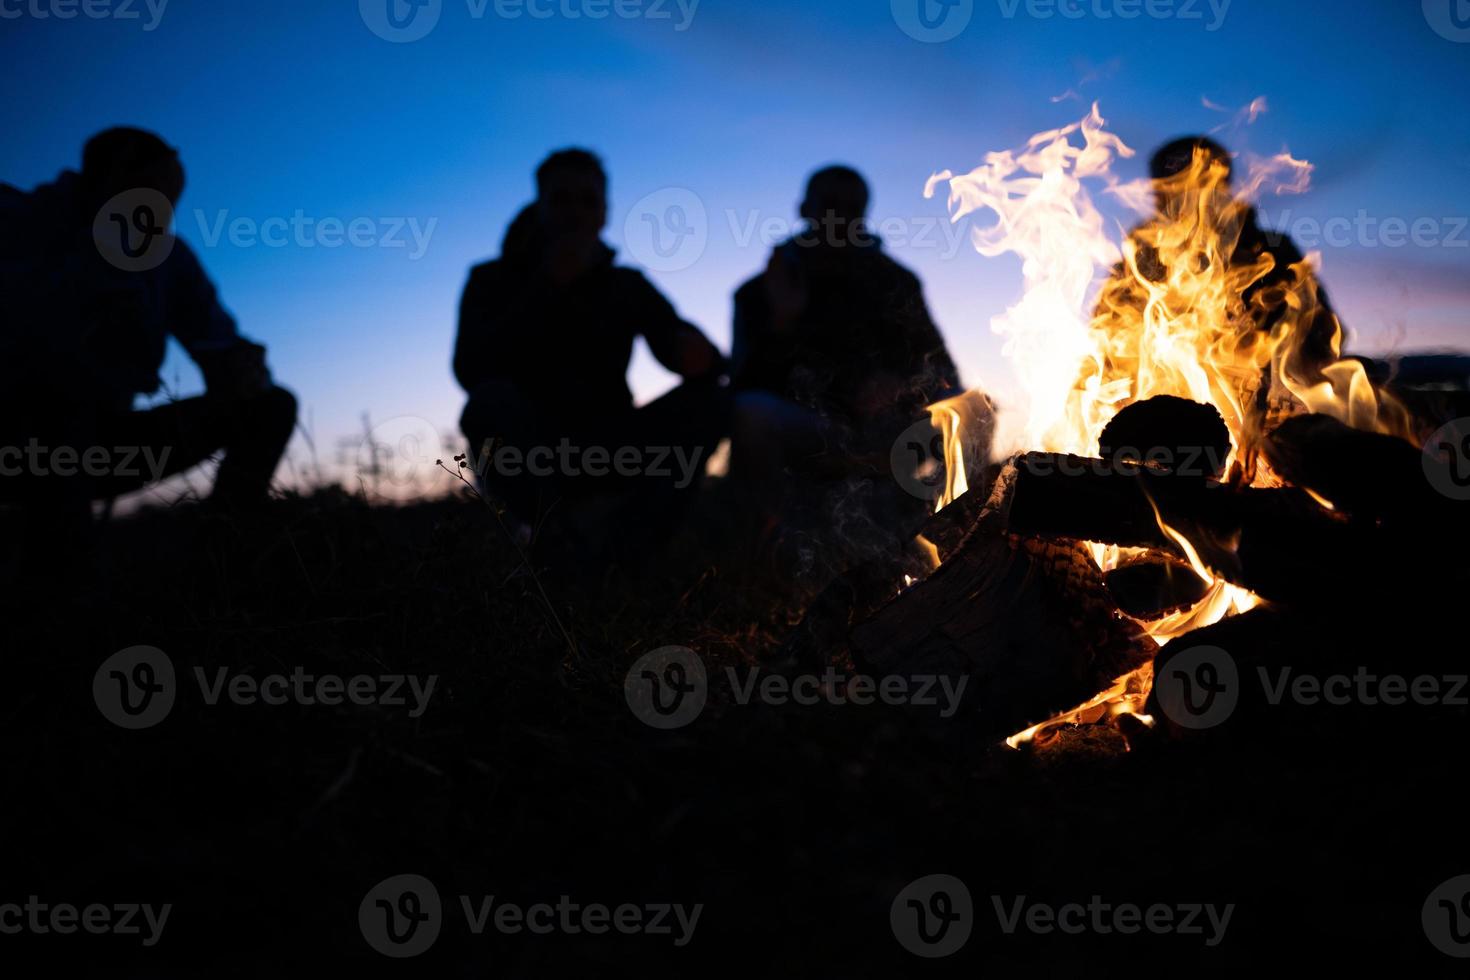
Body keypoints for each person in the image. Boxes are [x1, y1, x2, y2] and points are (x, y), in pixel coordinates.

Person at [0, 128, 297, 551]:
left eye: (170, 198)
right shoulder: (18, 221)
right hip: (21, 439)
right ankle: (57, 593)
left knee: (269, 406)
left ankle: (226, 562)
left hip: (105, 445)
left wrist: (240, 368)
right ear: (105, 179)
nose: (160, 213)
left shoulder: (168, 259)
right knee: (58, 410)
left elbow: (219, 345)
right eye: (151, 192)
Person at [453, 149, 728, 542]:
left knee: (710, 401)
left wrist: (701, 356)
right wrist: (545, 289)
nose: (575, 212)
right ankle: (553, 541)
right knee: (489, 403)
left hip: (613, 445)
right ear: (540, 206)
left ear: (604, 212)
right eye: (561, 199)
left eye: (589, 200)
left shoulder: (627, 285)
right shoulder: (490, 280)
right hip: (532, 451)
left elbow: (680, 343)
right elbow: (471, 371)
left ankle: (632, 548)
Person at [729, 165, 961, 520]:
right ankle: (765, 534)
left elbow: (945, 374)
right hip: (810, 433)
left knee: (971, 409)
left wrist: (904, 387)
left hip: (888, 434)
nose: (840, 216)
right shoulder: (759, 291)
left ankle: (950, 525)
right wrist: (781, 323)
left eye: (853, 207)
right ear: (806, 209)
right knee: (750, 411)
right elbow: (744, 386)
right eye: (830, 203)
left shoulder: (896, 282)